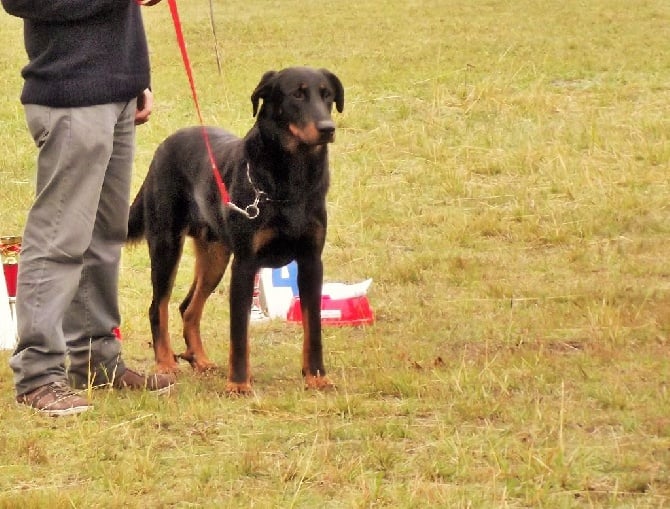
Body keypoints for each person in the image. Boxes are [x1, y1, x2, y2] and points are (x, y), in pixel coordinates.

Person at [2, 0, 176, 416]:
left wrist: (137, 78)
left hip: (115, 92)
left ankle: (96, 359)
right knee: (60, 236)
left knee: (105, 235)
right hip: (70, 95)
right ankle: (38, 374)